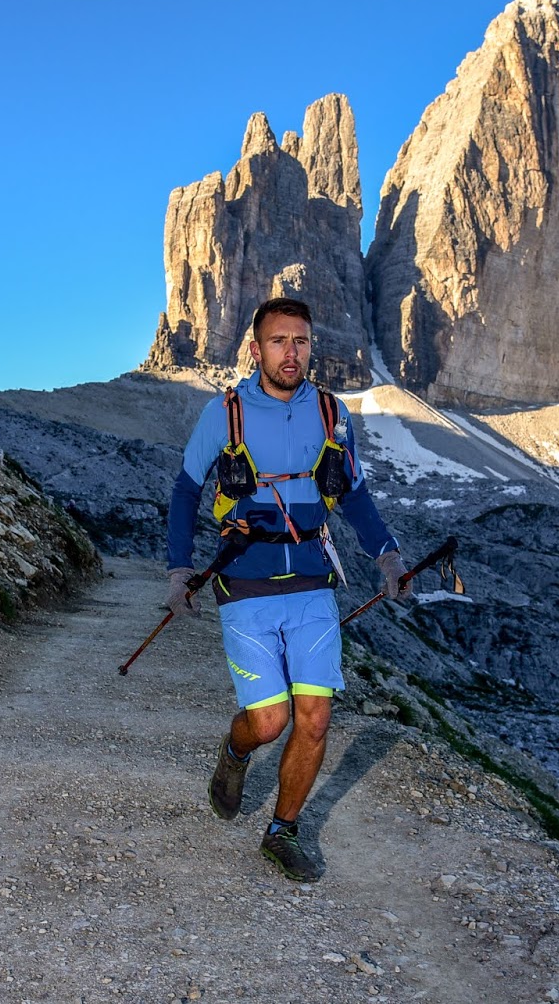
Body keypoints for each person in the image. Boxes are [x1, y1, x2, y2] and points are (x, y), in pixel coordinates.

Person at [165, 296, 408, 882]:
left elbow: (353, 494)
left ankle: (282, 830)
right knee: (270, 721)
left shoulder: (332, 413)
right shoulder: (223, 414)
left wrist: (388, 556)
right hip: (244, 582)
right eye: (279, 341)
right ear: (256, 349)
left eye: (300, 341)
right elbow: (184, 491)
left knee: (316, 716)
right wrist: (178, 570)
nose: (290, 353)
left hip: (312, 585)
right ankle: (236, 751)